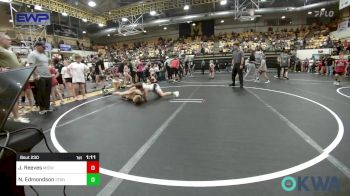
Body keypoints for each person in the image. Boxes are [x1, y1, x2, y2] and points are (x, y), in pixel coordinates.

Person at [0, 33, 29, 122]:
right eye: (8, 39)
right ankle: (5, 118)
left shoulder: (8, 50)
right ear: (1, 40)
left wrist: (23, 64)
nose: (10, 41)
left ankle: (16, 117)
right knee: (5, 99)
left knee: (13, 98)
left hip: (12, 77)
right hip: (4, 79)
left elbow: (15, 64)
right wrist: (1, 69)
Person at [28, 41, 52, 115]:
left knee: (47, 93)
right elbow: (31, 65)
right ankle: (42, 108)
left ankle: (47, 107)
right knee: (41, 93)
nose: (44, 48)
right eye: (43, 46)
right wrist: (36, 74)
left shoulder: (44, 54)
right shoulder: (33, 54)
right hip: (40, 76)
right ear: (37, 46)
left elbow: (46, 65)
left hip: (48, 76)